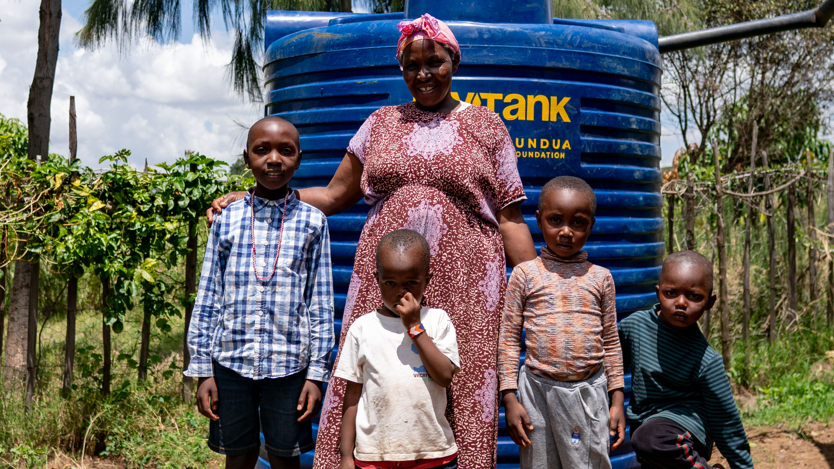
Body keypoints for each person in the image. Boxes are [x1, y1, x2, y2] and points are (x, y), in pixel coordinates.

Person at [207, 13, 537, 469]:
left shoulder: (487, 125)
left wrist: (537, 283)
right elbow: (337, 194)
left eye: (434, 62)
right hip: (384, 277)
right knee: (373, 372)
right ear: (401, 70)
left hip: (466, 283)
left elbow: (509, 215)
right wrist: (256, 200)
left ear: (453, 61)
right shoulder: (380, 122)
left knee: (457, 381)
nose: (423, 74)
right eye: (411, 65)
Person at [185, 116, 335, 469]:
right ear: (247, 156)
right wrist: (204, 369)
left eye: (286, 151)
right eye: (261, 150)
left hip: (290, 366)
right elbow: (209, 294)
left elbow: (320, 302)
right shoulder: (226, 218)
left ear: (299, 158)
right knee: (238, 455)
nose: (273, 159)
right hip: (230, 362)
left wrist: (316, 373)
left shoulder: (314, 222)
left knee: (285, 456)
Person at [497, 176, 625, 469]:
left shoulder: (600, 277)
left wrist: (616, 399)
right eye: (556, 220)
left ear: (591, 225)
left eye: (578, 223)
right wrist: (509, 397)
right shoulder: (525, 275)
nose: (566, 231)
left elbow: (611, 342)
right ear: (539, 220)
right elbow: (508, 339)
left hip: (588, 393)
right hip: (536, 393)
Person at [618, 250, 753, 469]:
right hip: (649, 431)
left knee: (650, 438)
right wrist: (611, 404)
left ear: (710, 302)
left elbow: (727, 422)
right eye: (671, 293)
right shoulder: (635, 327)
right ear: (658, 293)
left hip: (682, 432)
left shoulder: (706, 360)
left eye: (694, 296)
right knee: (648, 439)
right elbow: (611, 369)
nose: (681, 303)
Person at [337, 229, 460, 469]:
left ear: (427, 280)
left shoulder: (437, 320)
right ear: (377, 279)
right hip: (375, 457)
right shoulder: (362, 328)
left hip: (433, 455)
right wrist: (345, 456)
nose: (400, 292)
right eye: (390, 283)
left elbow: (445, 377)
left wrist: (415, 327)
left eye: (411, 283)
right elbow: (352, 397)